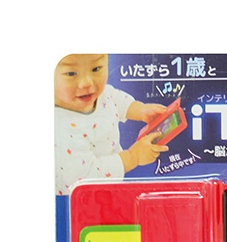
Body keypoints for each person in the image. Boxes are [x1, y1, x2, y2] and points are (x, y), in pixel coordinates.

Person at [55, 54, 169, 195]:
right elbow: (86, 179)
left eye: (96, 69)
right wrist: (133, 157)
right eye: (71, 73)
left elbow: (114, 98)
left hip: (110, 183)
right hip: (84, 197)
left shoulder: (97, 94)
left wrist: (141, 110)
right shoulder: (60, 130)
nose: (87, 83)